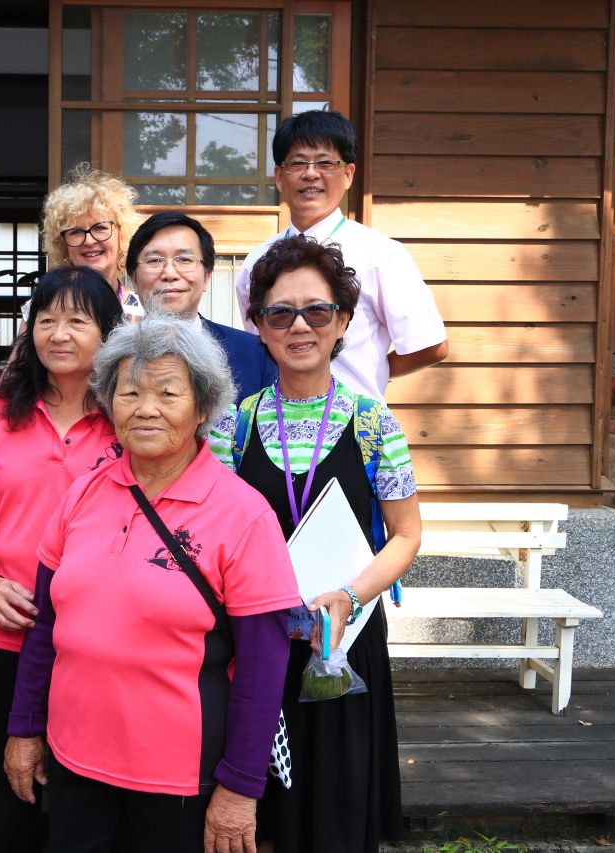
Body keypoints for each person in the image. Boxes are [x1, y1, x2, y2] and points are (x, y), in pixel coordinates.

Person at [4, 312, 300, 853]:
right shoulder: (82, 495)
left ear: (203, 407)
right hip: (74, 761)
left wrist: (240, 786)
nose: (146, 408)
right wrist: (24, 727)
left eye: (168, 393)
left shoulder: (243, 514)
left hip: (181, 779)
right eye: (130, 392)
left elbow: (263, 666)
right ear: (108, 403)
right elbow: (44, 627)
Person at [220, 235, 422, 852]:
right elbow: (215, 532)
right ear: (259, 326)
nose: (300, 326)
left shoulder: (374, 422)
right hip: (257, 636)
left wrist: (350, 597)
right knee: (259, 807)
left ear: (344, 321)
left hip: (343, 636)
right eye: (280, 313)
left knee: (337, 802)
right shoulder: (235, 423)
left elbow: (407, 534)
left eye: (318, 310)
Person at [0, 266, 124, 853]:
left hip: (98, 643)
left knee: (86, 805)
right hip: (1, 634)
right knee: (4, 801)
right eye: (46, 319)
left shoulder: (128, 416)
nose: (59, 333)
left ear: (109, 332)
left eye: (78, 320)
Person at [235, 110, 448, 401]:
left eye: (325, 162)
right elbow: (261, 347)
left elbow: (430, 345)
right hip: (278, 421)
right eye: (298, 163)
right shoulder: (256, 261)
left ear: (348, 174)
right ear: (280, 177)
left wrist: (373, 374)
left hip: (356, 422)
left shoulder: (381, 254)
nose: (311, 173)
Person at [127, 210, 277, 401]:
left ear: (206, 276)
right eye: (155, 260)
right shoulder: (113, 356)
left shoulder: (255, 354)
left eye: (184, 260)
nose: (170, 273)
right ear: (133, 279)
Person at [37, 164, 146, 322]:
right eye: (76, 231)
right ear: (62, 244)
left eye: (100, 228)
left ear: (122, 234)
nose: (89, 241)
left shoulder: (143, 311)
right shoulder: (43, 308)